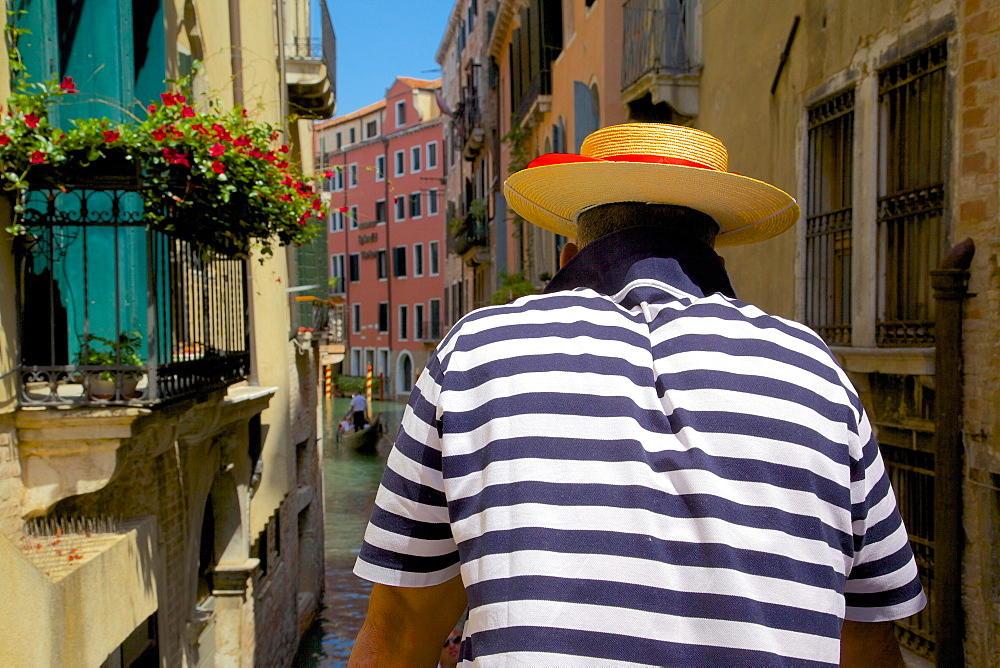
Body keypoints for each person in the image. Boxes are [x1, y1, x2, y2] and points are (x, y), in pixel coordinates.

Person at [348, 123, 925, 666]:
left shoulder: (474, 353)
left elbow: (399, 635)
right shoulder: (817, 373)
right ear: (714, 253)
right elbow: (869, 647)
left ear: (572, 254)